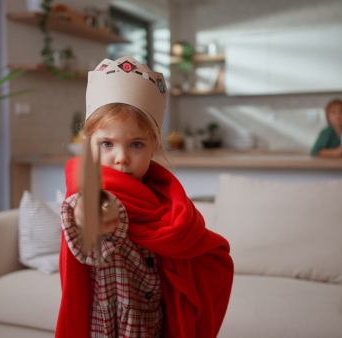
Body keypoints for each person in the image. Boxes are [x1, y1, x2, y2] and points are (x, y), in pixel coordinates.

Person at [56, 56, 234, 338]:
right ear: (89, 146)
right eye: (107, 144)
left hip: (156, 324)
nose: (122, 157)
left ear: (153, 147)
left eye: (136, 144)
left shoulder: (166, 200)